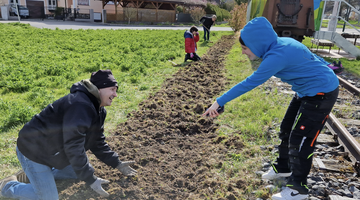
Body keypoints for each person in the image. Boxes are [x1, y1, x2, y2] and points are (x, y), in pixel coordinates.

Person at [202, 17, 339, 200]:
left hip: (321, 93)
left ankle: (299, 188)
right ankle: (283, 168)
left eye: (244, 48)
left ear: (258, 44)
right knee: (286, 128)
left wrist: (219, 101)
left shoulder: (276, 56)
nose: (243, 52)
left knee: (300, 138)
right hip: (305, 90)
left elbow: (249, 83)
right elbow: (313, 58)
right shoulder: (282, 44)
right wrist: (331, 68)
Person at [0, 70, 137, 199]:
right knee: (48, 198)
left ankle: (37, 175)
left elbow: (97, 142)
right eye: (112, 89)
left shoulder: (99, 110)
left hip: (53, 151)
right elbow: (74, 145)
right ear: (100, 88)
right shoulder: (79, 105)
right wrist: (91, 179)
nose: (115, 94)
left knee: (77, 172)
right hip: (33, 151)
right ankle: (8, 186)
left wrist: (116, 163)